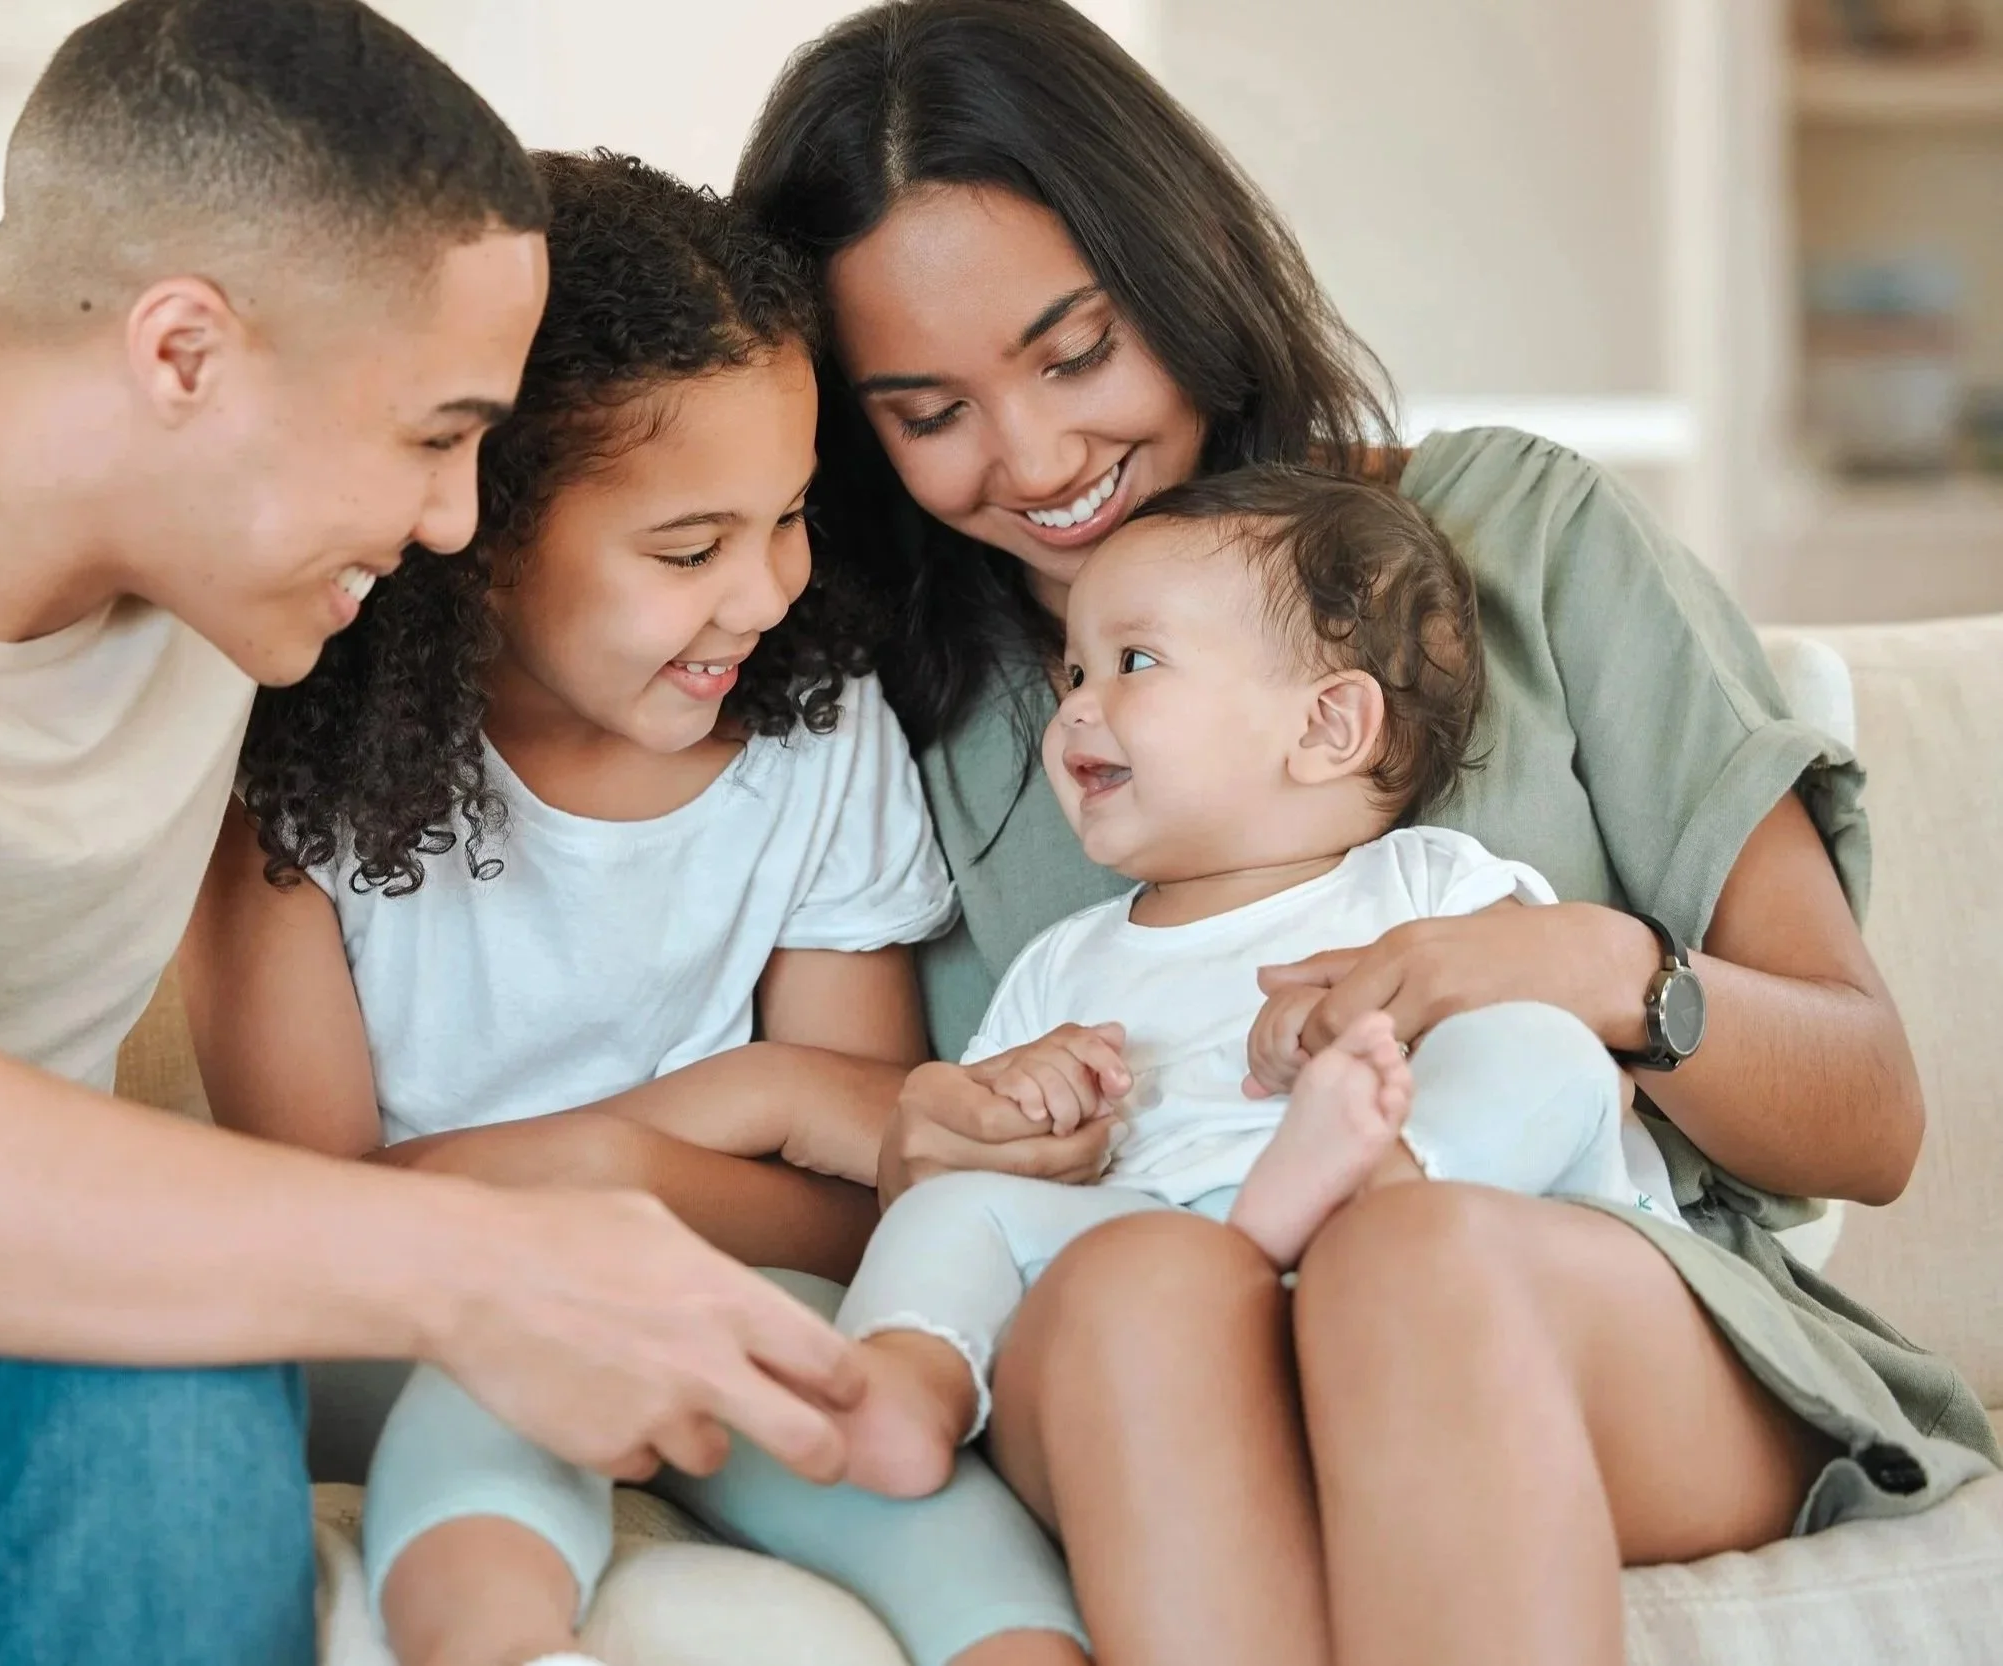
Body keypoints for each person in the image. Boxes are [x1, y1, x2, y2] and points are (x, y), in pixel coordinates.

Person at [0, 6, 869, 1664]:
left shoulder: (246, 513)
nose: (452, 516)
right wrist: (481, 1264)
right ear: (179, 356)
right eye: (437, 438)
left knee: (172, 1304)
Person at [735, 1, 2002, 1661]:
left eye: (1076, 350)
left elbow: (1869, 1121)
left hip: (1572, 1302)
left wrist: (1606, 971)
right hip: (1144, 1320)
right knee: (1128, 1292)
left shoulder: (1520, 539)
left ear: (1183, 268)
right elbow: (911, 1192)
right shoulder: (912, 713)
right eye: (929, 411)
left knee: (1408, 1257)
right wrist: (938, 1139)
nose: (1037, 457)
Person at [190, 148, 1085, 1666]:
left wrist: (660, 1166)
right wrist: (711, 1120)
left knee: (883, 1433)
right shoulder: (293, 778)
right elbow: (327, 1219)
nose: (766, 593)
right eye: (689, 548)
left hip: (748, 1299)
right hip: (402, 1322)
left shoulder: (815, 735)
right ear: (477, 542)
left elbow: (864, 1208)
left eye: (791, 515)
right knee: (524, 1338)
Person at [832, 467, 1672, 1502]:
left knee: (1542, 1051)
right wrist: (1031, 1094)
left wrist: (1350, 1038)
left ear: (1325, 728)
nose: (1076, 708)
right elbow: (996, 1149)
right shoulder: (1064, 958)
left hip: (1419, 1257)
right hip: (1168, 1258)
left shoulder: (1427, 883)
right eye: (1072, 671)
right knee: (949, 1215)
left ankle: (1368, 1190)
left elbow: (1584, 1071)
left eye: (1131, 662)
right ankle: (910, 1384)